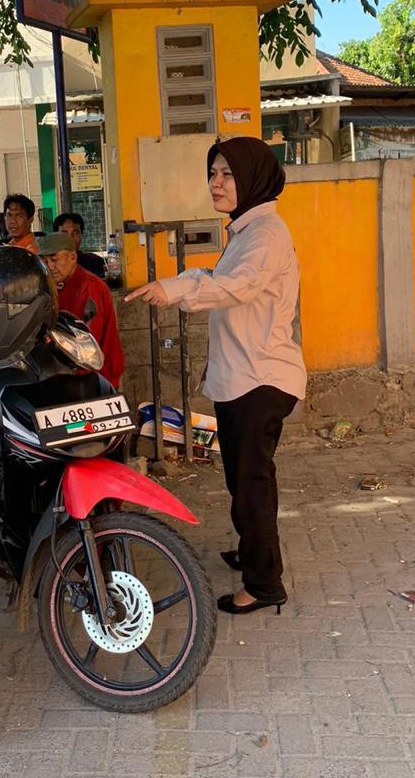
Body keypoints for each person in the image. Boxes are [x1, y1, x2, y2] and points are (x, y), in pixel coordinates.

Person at [126, 137, 306, 618]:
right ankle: (251, 553)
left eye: (227, 174)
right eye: (213, 173)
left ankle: (264, 584)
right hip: (241, 376)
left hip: (259, 379)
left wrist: (173, 290)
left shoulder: (266, 234)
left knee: (251, 485)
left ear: (253, 178)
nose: (216, 183)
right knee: (240, 479)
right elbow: (213, 273)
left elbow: (234, 287)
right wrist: (174, 283)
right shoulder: (246, 230)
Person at [39, 232, 125, 388]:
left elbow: (88, 345)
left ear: (73, 257)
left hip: (96, 376)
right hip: (75, 373)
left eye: (54, 259)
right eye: (45, 261)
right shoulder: (60, 285)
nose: (50, 267)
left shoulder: (89, 286)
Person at [53, 212, 106, 279]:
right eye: (64, 234)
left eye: (76, 233)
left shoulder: (94, 262)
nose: (70, 238)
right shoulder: (50, 265)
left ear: (81, 235)